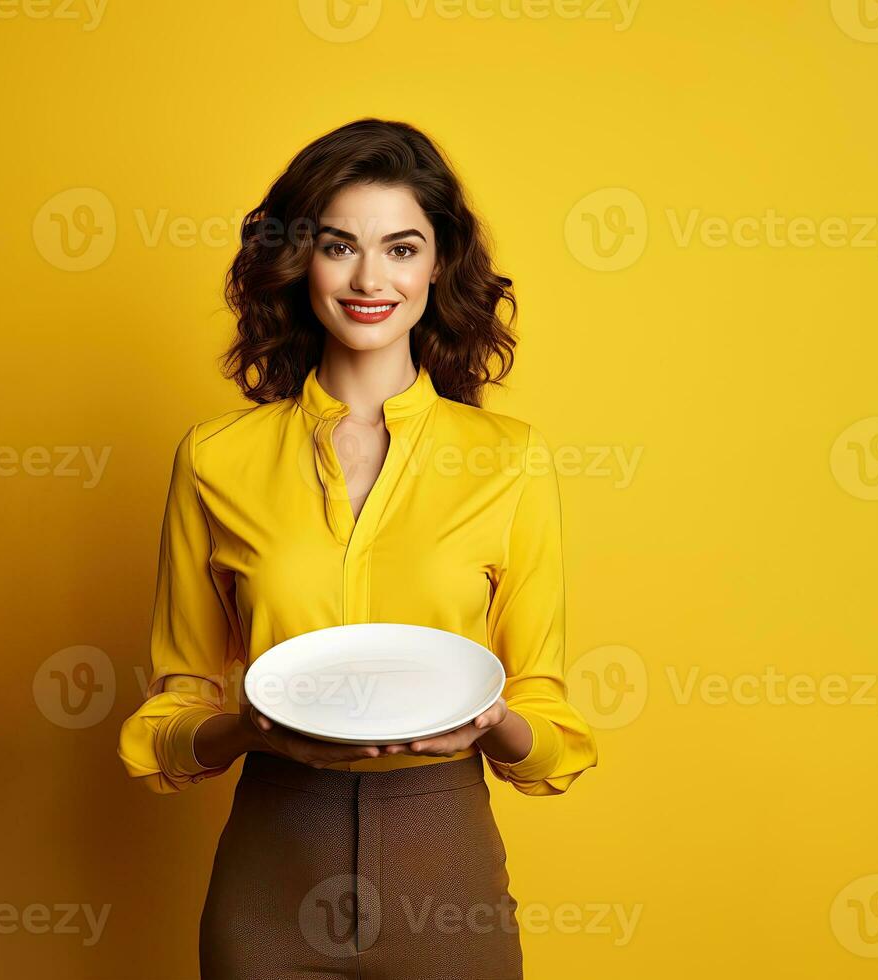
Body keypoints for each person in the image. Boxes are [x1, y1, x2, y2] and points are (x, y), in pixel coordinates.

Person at [116, 117, 597, 978]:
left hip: (445, 873)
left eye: (401, 247)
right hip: (269, 874)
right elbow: (168, 718)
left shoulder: (509, 460)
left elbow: (550, 722)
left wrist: (499, 727)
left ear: (439, 262)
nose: (370, 278)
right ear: (299, 261)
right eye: (339, 246)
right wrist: (245, 730)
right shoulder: (215, 458)